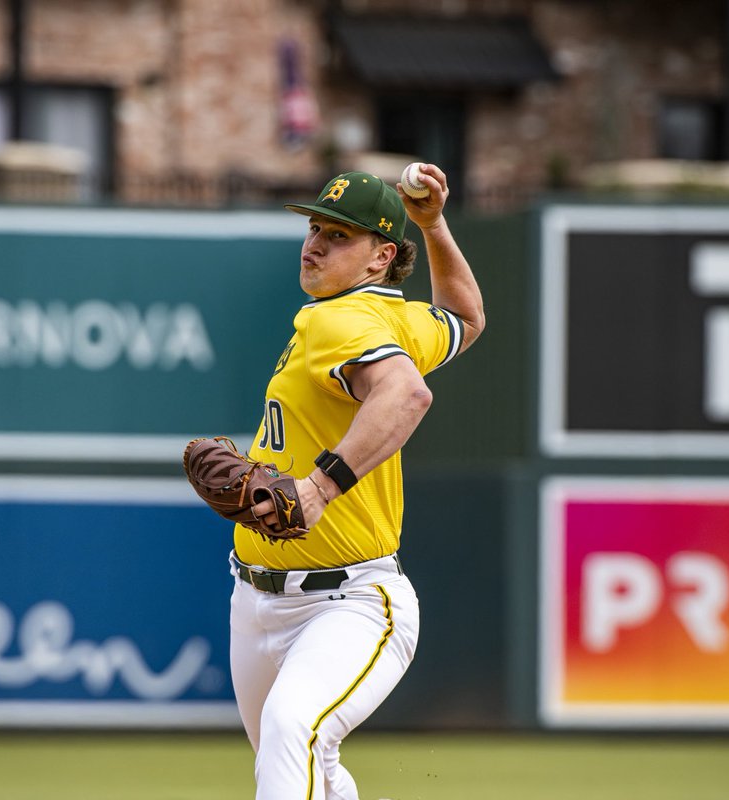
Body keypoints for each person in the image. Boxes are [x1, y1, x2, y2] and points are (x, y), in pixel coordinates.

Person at [230, 165, 484, 799]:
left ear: (380, 257)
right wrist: (434, 224)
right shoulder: (392, 321)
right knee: (306, 762)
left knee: (296, 733)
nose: (315, 243)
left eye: (339, 236)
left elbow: (406, 395)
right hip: (258, 600)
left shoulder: (341, 322)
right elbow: (465, 315)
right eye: (314, 228)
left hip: (348, 604)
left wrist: (317, 487)